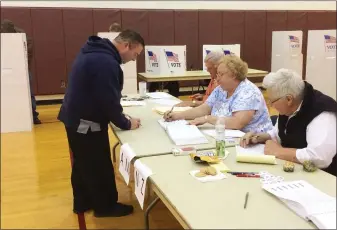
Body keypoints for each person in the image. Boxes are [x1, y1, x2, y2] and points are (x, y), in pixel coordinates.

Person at [58, 30, 144, 217]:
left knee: (83, 164)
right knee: (98, 165)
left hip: (75, 118)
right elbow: (108, 101)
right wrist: (126, 123)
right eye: (135, 54)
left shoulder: (94, 51)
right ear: (126, 45)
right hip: (86, 123)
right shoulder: (105, 62)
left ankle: (82, 202)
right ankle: (105, 207)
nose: (133, 59)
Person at [240, 68, 337, 176]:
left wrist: (278, 151)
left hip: (324, 179)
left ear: (289, 99)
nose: (270, 105)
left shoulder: (322, 113)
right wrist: (259, 137)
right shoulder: (289, 107)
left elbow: (320, 157)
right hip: (294, 171)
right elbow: (279, 134)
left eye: (272, 101)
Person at [164, 55, 273, 133]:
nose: (217, 77)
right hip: (224, 136)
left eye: (221, 74)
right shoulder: (221, 88)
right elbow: (204, 108)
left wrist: (208, 119)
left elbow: (236, 123)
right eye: (217, 74)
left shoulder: (248, 92)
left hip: (251, 142)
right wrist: (178, 116)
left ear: (234, 75)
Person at [1, 19, 41, 124]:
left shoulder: (23, 36)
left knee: (29, 92)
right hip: (8, 67)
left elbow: (27, 54)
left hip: (23, 67)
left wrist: (23, 67)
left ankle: (33, 115)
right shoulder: (3, 35)